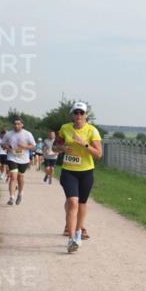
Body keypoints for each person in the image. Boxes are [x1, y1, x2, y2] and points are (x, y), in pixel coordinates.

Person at [54, 102, 102, 253]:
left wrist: (84, 145)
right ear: (72, 115)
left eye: (82, 113)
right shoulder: (65, 128)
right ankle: (72, 239)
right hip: (69, 171)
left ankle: (79, 231)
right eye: (76, 113)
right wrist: (62, 148)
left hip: (86, 171)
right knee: (72, 201)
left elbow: (99, 154)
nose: (79, 116)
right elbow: (54, 147)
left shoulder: (92, 131)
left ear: (86, 115)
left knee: (81, 203)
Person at [3, 118, 36, 206]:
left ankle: (20, 194)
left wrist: (24, 146)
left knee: (20, 178)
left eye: (18, 124)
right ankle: (11, 197)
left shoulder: (27, 134)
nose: (16, 125)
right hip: (12, 157)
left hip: (24, 159)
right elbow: (3, 144)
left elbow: (33, 147)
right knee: (13, 177)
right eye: (15, 124)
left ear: (22, 125)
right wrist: (7, 147)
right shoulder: (8, 134)